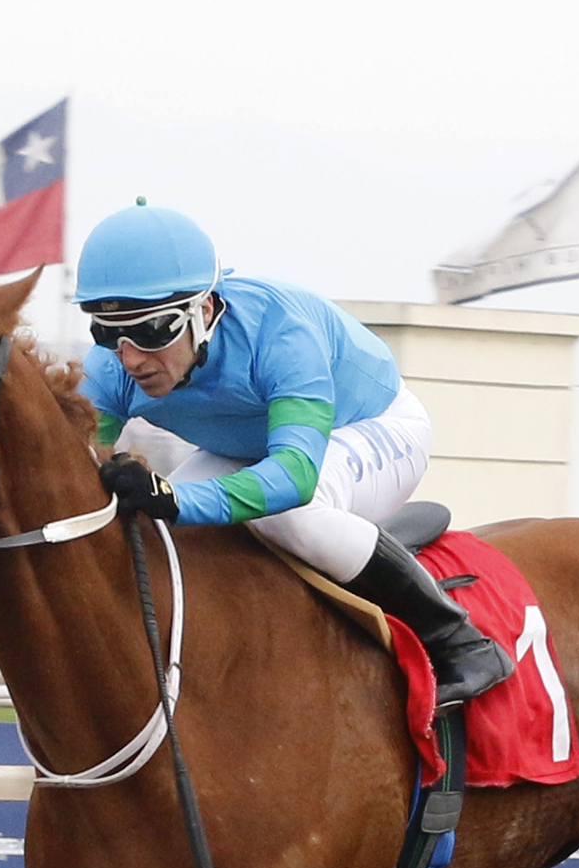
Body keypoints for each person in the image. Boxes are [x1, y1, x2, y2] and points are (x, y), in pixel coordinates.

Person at [75, 200, 511, 706]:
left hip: (373, 426)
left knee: (289, 516)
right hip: (248, 448)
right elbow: (80, 474)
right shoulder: (110, 367)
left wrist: (173, 497)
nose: (130, 358)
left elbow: (295, 476)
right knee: (165, 535)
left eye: (152, 331)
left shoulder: (280, 332)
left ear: (205, 311)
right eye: (108, 332)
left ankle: (462, 642)